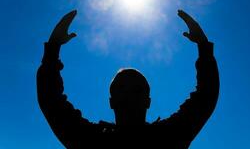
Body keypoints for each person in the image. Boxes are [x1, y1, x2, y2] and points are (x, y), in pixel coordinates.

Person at [37, 9, 219, 148]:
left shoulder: (166, 137)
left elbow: (204, 98)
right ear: (111, 101)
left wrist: (204, 48)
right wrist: (52, 49)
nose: (129, 95)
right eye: (121, 89)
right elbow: (52, 101)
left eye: (137, 90)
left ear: (148, 101)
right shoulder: (92, 140)